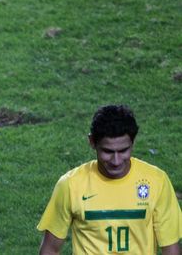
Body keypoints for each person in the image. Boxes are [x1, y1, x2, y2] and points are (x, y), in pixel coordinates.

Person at [37, 104, 181, 254]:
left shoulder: (157, 181)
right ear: (92, 142)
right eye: (108, 151)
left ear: (133, 142)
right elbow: (50, 249)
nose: (116, 160)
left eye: (123, 150)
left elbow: (171, 248)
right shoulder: (70, 185)